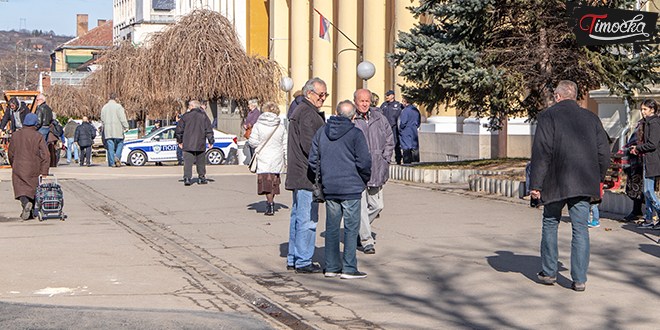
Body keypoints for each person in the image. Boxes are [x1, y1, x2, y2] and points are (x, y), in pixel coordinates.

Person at [529, 80, 610, 292]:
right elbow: (604, 152)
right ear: (573, 95)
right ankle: (579, 279)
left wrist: (536, 184)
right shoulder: (591, 118)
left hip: (554, 181)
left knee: (550, 223)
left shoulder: (548, 116)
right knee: (581, 229)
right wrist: (598, 178)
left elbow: (542, 152)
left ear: (557, 96)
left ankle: (549, 272)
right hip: (583, 182)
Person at [309, 100, 372, 279]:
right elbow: (364, 162)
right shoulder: (355, 133)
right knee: (351, 229)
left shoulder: (322, 132)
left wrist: (323, 177)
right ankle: (349, 268)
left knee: (332, 228)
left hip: (330, 188)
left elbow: (313, 160)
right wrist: (363, 179)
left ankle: (331, 267)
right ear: (353, 116)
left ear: (336, 113)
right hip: (351, 188)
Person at [285, 77, 327, 274]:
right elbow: (311, 146)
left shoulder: (300, 110)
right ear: (309, 93)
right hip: (306, 174)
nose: (323, 98)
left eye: (325, 94)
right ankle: (303, 260)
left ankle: (294, 257)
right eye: (320, 94)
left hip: (298, 172)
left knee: (297, 216)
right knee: (307, 219)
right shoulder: (308, 114)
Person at [353, 89, 394, 255]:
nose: (364, 104)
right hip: (357, 171)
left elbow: (389, 140)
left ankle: (359, 229)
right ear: (355, 101)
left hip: (377, 168)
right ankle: (366, 240)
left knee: (377, 206)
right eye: (361, 101)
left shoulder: (379, 118)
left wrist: (386, 159)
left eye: (367, 101)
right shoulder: (351, 119)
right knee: (362, 207)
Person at [7, 113, 49, 220]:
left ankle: (25, 204)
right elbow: (45, 154)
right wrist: (44, 170)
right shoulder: (38, 136)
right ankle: (30, 210)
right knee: (33, 188)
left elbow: (10, 152)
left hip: (19, 165)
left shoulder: (15, 135)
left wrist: (13, 163)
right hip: (34, 166)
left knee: (20, 187)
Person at [248, 102, 287, 216]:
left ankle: (269, 204)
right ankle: (271, 202)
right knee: (274, 182)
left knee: (266, 182)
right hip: (277, 156)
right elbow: (285, 144)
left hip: (264, 156)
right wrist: (286, 160)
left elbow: (253, 142)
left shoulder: (258, 125)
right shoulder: (280, 126)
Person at [631, 99, 660, 229]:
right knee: (647, 190)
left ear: (652, 110)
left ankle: (658, 214)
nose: (642, 112)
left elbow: (653, 144)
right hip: (648, 160)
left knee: (648, 190)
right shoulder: (647, 122)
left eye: (645, 109)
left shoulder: (654, 123)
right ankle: (649, 219)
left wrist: (638, 148)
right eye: (641, 109)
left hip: (653, 160)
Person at [176, 100, 214, 186]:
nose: (188, 107)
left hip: (188, 142)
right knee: (201, 161)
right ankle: (201, 177)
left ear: (192, 106)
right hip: (200, 142)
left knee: (187, 162)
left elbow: (179, 129)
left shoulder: (186, 116)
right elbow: (208, 130)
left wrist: (180, 140)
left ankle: (187, 178)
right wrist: (211, 140)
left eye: (189, 106)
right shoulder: (203, 116)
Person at [100, 93, 129, 167]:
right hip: (117, 129)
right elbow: (122, 118)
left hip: (108, 130)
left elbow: (102, 119)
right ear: (116, 98)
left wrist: (104, 127)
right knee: (120, 143)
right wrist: (126, 127)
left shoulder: (104, 107)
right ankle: (117, 156)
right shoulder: (118, 107)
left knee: (110, 146)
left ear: (108, 98)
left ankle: (112, 162)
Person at [380, 90, 402, 164]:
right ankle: (385, 158)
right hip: (385, 127)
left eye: (388, 95)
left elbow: (400, 116)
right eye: (386, 95)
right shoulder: (384, 105)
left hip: (394, 127)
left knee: (396, 143)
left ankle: (398, 158)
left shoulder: (398, 105)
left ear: (392, 96)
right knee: (384, 143)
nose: (387, 97)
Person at [399, 97, 421, 164]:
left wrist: (400, 129)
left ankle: (407, 164)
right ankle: (416, 162)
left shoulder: (405, 111)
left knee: (406, 149)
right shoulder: (416, 110)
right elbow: (418, 122)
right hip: (414, 131)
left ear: (405, 102)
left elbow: (403, 122)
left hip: (406, 132)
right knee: (415, 149)